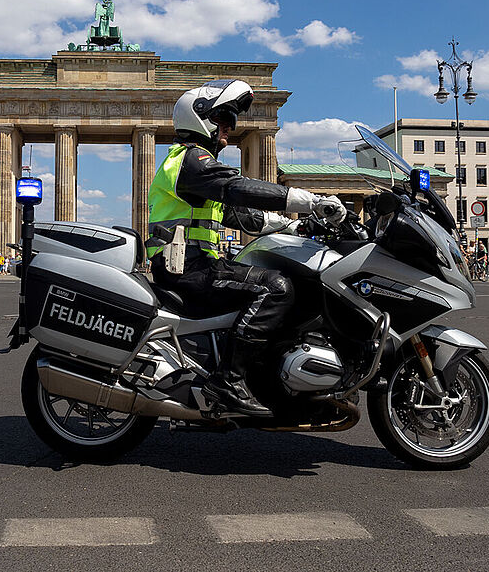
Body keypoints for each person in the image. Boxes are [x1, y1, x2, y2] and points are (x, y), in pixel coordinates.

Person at [147, 79, 345, 416]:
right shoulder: (190, 160)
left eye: (230, 125)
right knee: (276, 289)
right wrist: (307, 200)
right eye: (223, 122)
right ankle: (228, 379)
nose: (227, 133)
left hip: (193, 265)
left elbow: (238, 214)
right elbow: (237, 188)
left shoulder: (192, 169)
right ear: (201, 118)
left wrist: (290, 225)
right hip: (186, 269)